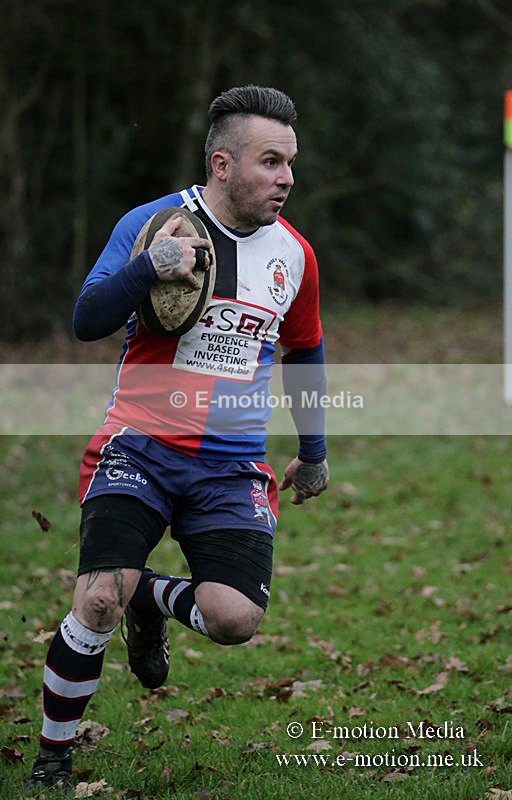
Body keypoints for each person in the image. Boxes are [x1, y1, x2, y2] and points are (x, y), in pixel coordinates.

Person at [24, 85, 329, 791]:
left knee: (234, 620)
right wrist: (148, 268)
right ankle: (51, 760)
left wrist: (313, 453)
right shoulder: (154, 223)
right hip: (139, 446)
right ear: (222, 164)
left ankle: (149, 598)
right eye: (270, 161)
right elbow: (87, 319)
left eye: (290, 163)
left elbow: (306, 349)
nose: (286, 177)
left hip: (231, 465)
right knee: (97, 599)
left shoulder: (294, 255)